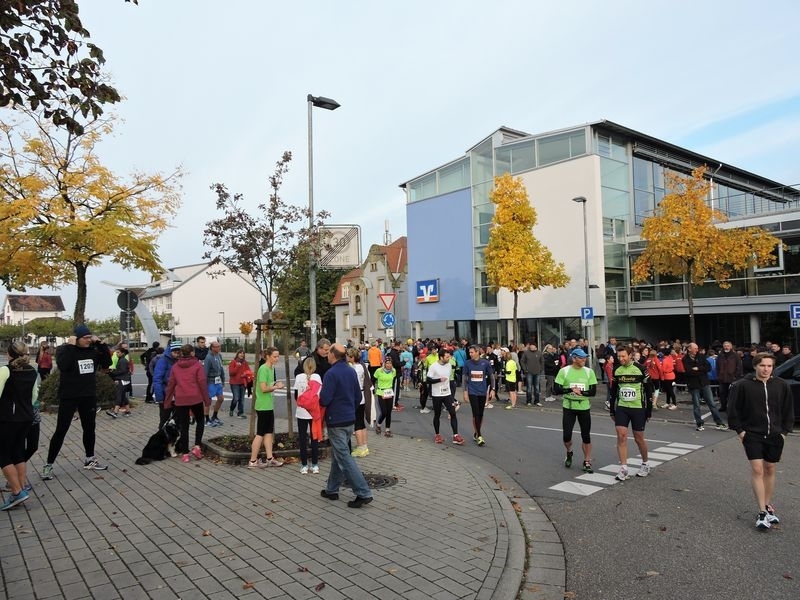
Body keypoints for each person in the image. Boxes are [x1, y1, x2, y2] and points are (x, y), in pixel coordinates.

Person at [728, 352, 794, 530]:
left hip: (775, 434)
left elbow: (788, 410)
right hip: (752, 434)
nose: (766, 369)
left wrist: (784, 432)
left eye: (769, 366)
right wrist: (741, 432)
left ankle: (767, 505)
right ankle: (762, 511)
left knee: (770, 468)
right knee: (757, 469)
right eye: (762, 365)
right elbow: (733, 411)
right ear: (755, 366)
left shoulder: (781, 385)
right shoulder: (742, 385)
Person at [42, 324, 113, 480]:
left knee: (89, 428)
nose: (88, 340)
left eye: (90, 337)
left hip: (88, 396)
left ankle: (90, 458)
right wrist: (70, 346)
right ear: (77, 339)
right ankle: (48, 464)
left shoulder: (93, 351)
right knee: (61, 430)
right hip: (69, 396)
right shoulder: (65, 350)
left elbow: (107, 363)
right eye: (85, 338)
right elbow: (64, 365)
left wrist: (100, 343)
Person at [319, 344, 373, 508]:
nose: (326, 355)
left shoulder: (331, 373)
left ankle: (363, 492)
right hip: (350, 420)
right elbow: (358, 396)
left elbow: (324, 400)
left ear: (334, 355)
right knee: (338, 454)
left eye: (328, 352)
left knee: (344, 456)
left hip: (336, 420)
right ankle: (331, 489)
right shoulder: (351, 370)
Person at [0, 341, 38, 510]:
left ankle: (17, 491)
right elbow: (34, 396)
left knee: (3, 455)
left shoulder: (5, 371)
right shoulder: (32, 371)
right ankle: (21, 488)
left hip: (8, 418)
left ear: (9, 354)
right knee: (17, 453)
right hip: (26, 417)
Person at [609, 345, 653, 481]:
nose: (620, 359)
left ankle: (645, 463)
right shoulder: (617, 370)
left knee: (638, 438)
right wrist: (612, 409)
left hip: (638, 408)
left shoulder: (640, 369)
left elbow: (649, 391)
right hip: (622, 407)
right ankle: (623, 468)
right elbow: (613, 391)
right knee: (621, 436)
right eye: (618, 356)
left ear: (630, 356)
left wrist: (649, 411)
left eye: (623, 356)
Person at [164, 344, 210, 463]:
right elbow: (202, 382)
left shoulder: (175, 367)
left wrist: (167, 401)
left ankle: (185, 453)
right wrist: (207, 399)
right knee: (200, 421)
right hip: (196, 398)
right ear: (192, 353)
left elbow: (171, 385)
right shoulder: (197, 365)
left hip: (181, 398)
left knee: (184, 426)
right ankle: (197, 446)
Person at [554, 347, 597, 473]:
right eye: (581, 358)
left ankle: (587, 461)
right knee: (567, 436)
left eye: (585, 357)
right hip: (569, 406)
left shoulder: (589, 372)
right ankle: (569, 452)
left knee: (586, 436)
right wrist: (571, 390)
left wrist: (581, 392)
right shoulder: (564, 371)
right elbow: (556, 389)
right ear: (574, 358)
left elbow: (593, 392)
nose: (584, 360)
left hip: (584, 407)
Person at [248, 347, 284, 468]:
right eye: (274, 356)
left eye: (278, 356)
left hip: (268, 405)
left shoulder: (271, 368)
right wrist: (276, 387)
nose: (277, 358)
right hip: (263, 406)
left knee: (269, 432)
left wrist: (275, 384)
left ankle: (270, 458)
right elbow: (263, 388)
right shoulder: (263, 369)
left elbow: (269, 385)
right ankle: (253, 461)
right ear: (267, 356)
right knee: (260, 433)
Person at [683, 342, 728, 432]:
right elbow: (689, 372)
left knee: (712, 403)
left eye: (697, 348)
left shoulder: (701, 356)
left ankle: (719, 423)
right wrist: (701, 369)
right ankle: (699, 424)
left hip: (704, 383)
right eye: (695, 348)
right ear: (689, 349)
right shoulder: (685, 359)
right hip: (694, 384)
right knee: (697, 405)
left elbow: (708, 367)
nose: (697, 350)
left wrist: (698, 368)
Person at [426, 348, 465, 445]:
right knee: (437, 414)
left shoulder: (449, 365)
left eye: (450, 356)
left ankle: (456, 436)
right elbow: (428, 380)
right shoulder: (434, 366)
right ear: (441, 357)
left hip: (447, 394)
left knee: (452, 413)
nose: (449, 358)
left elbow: (449, 379)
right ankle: (437, 435)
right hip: (437, 394)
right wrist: (439, 380)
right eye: (447, 357)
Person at [293, 356, 321, 473]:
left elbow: (296, 395)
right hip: (314, 412)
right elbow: (319, 395)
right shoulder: (317, 377)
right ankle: (315, 465)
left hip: (301, 412)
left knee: (303, 439)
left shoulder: (299, 377)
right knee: (314, 439)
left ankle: (304, 465)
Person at [462, 345, 494, 445]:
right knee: (475, 413)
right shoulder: (467, 363)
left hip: (482, 391)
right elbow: (464, 379)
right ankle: (479, 435)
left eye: (472, 352)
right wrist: (465, 392)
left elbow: (492, 377)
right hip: (472, 391)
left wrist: (493, 389)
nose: (470, 354)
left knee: (480, 413)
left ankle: (476, 433)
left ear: (477, 352)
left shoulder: (485, 363)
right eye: (469, 352)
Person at [346, 347, 371, 458]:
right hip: (362, 396)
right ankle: (364, 446)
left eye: (347, 356)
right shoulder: (362, 366)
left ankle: (361, 447)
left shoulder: (353, 368)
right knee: (361, 422)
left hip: (355, 397)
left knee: (357, 425)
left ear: (351, 357)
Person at [153, 341, 182, 427]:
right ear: (170, 351)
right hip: (166, 394)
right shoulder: (163, 360)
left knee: (178, 418)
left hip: (178, 394)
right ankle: (162, 436)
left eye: (179, 353)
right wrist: (159, 397)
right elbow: (157, 379)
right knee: (164, 418)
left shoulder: (180, 360)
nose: (177, 355)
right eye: (175, 352)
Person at [372, 356, 397, 437]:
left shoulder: (393, 371)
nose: (389, 365)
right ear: (384, 364)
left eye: (390, 363)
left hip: (389, 392)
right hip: (380, 392)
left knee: (389, 412)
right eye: (387, 363)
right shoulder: (379, 371)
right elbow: (373, 380)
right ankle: (378, 425)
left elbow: (393, 381)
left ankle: (387, 430)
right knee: (384, 412)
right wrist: (372, 390)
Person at [203, 340, 226, 427]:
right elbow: (205, 371)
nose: (219, 348)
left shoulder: (219, 355)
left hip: (218, 381)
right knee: (208, 401)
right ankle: (206, 419)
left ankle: (214, 416)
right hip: (210, 382)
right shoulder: (208, 357)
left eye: (219, 346)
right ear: (212, 348)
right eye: (217, 347)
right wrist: (205, 384)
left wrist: (223, 380)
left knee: (221, 398)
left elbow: (221, 369)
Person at [716, 340, 743, 412]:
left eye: (728, 346)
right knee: (722, 394)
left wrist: (736, 376)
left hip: (732, 378)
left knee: (732, 394)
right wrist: (719, 375)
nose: (726, 347)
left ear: (731, 346)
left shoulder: (735, 355)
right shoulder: (720, 355)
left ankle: (732, 408)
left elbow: (739, 367)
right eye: (725, 346)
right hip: (722, 378)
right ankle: (723, 407)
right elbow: (717, 366)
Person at [107, 347, 132, 418]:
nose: (116, 354)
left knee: (119, 395)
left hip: (123, 380)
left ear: (122, 353)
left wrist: (113, 372)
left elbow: (123, 371)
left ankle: (115, 412)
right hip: (123, 379)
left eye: (118, 352)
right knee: (123, 396)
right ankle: (128, 411)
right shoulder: (121, 360)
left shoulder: (123, 360)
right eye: (116, 352)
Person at [228, 349, 251, 419]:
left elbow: (248, 371)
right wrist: (237, 366)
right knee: (236, 398)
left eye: (243, 353)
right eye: (240, 353)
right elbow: (231, 373)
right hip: (234, 383)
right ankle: (231, 409)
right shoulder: (233, 362)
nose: (241, 354)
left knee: (242, 399)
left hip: (242, 383)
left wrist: (246, 374)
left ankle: (240, 413)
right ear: (237, 354)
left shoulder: (245, 363)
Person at [519, 341, 543, 406]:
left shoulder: (539, 353)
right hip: (529, 372)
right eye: (531, 346)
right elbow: (522, 361)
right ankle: (528, 401)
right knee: (529, 387)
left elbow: (542, 362)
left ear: (536, 347)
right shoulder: (526, 353)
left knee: (537, 387)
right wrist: (525, 369)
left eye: (533, 346)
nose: (531, 347)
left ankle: (537, 401)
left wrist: (540, 369)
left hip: (537, 372)